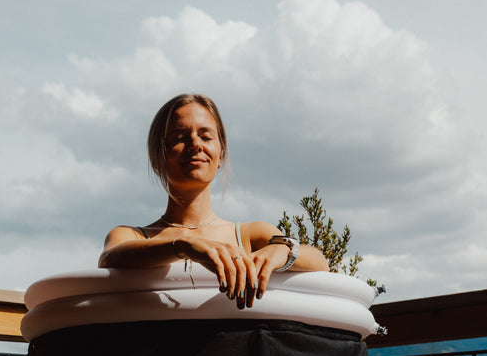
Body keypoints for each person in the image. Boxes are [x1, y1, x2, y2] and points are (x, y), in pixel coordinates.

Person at [99, 93, 330, 309]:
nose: (195, 145)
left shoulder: (249, 235)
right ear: (158, 157)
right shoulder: (132, 236)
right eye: (180, 137)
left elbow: (320, 263)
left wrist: (283, 250)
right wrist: (184, 245)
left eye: (206, 136)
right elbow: (111, 257)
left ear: (221, 155)